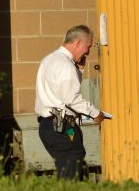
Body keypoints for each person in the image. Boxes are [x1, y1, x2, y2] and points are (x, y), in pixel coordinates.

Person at [34, 25, 110, 180]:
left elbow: (63, 92)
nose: (88, 52)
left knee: (73, 163)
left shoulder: (49, 60)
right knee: (72, 165)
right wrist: (95, 113)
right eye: (87, 47)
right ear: (78, 43)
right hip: (61, 127)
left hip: (50, 126)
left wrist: (79, 71)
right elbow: (71, 98)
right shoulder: (65, 64)